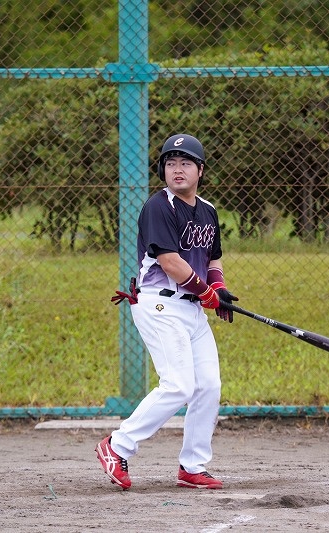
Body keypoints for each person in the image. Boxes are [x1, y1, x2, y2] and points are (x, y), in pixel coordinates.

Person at [96, 133, 238, 491]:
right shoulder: (159, 206)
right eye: (170, 163)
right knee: (178, 385)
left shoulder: (208, 210)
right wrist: (206, 292)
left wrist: (218, 288)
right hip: (160, 305)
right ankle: (117, 446)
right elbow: (170, 262)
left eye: (185, 163)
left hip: (191, 309)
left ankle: (193, 466)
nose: (177, 169)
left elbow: (213, 258)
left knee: (208, 386)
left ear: (200, 170)